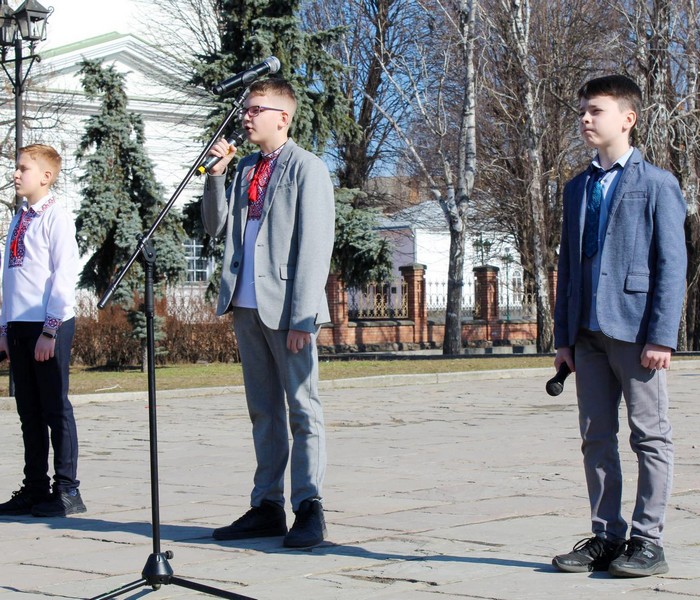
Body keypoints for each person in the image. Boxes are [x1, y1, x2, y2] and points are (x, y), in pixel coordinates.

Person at [551, 75, 687, 577]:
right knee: (596, 437)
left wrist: (662, 336)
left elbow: (672, 264)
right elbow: (567, 266)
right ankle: (607, 537)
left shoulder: (657, 184)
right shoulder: (576, 188)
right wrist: (563, 338)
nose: (585, 118)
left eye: (596, 110)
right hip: (586, 337)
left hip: (636, 333)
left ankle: (648, 541)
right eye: (582, 111)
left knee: (649, 437)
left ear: (628, 119)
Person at [201, 78, 335, 548]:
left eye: (256, 108)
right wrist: (216, 176)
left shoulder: (307, 168)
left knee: (303, 408)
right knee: (263, 410)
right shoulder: (244, 169)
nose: (246, 115)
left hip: (287, 309)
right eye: (247, 108)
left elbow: (315, 247)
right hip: (245, 304)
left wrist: (303, 317)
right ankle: (266, 506)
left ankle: (309, 507)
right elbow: (215, 227)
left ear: (283, 117)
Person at [0, 144, 85, 518]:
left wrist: (50, 330)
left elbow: (64, 274)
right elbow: (9, 278)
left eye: (23, 168)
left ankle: (67, 490)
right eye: (16, 168)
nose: (16, 174)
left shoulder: (56, 217)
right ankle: (34, 487)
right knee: (28, 411)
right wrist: (4, 327)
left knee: (54, 408)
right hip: (19, 325)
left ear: (46, 176)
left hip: (49, 325)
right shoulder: (18, 218)